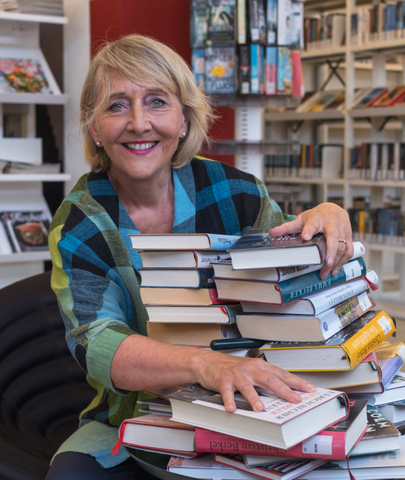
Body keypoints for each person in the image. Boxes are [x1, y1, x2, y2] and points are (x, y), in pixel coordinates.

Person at [47, 34, 353, 479]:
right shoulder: (79, 222)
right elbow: (97, 343)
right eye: (117, 106)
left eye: (157, 102)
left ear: (185, 120)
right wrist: (205, 364)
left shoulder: (236, 192)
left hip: (257, 405)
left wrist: (327, 217)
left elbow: (297, 267)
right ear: (94, 128)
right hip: (140, 416)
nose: (138, 123)